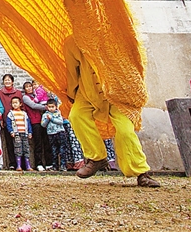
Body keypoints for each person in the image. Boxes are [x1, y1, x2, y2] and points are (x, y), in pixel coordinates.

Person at [65, 36, 160, 187]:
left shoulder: (116, 34)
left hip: (118, 92)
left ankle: (141, 173)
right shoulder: (72, 42)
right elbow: (72, 69)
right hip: (87, 90)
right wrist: (71, 92)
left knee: (125, 131)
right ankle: (96, 158)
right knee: (76, 115)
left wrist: (134, 89)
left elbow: (133, 61)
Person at [0, 74, 23, 169]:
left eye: (9, 80)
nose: (7, 82)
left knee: (20, 142)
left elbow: (22, 107)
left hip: (18, 120)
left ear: (12, 81)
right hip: (6, 120)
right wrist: (1, 119)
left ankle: (21, 163)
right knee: (9, 142)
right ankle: (12, 163)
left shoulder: (18, 93)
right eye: (5, 80)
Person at [22, 81, 49, 171]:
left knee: (46, 142)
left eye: (31, 86)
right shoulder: (26, 97)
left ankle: (49, 163)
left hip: (44, 120)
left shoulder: (38, 94)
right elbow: (33, 106)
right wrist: (46, 107)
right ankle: (39, 163)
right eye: (27, 87)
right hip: (35, 121)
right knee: (38, 143)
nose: (29, 88)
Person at [40, 99, 68, 171]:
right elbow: (43, 124)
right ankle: (55, 165)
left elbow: (61, 122)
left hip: (60, 132)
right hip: (51, 134)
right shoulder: (45, 115)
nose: (51, 108)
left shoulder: (58, 113)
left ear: (56, 107)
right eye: (49, 107)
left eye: (53, 107)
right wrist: (47, 119)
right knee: (54, 150)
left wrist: (52, 119)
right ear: (47, 107)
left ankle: (63, 165)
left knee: (62, 150)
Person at [5, 97, 32, 172]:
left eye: (16, 102)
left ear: (20, 104)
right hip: (16, 134)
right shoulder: (11, 114)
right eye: (13, 103)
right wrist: (11, 131)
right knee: (18, 149)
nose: (15, 104)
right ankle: (18, 165)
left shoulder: (24, 113)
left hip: (25, 133)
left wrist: (30, 132)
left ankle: (28, 165)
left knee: (26, 148)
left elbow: (28, 123)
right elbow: (9, 124)